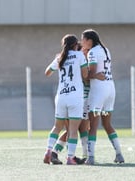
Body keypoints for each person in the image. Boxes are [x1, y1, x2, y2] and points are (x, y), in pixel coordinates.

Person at [81, 29, 125, 165]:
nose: (81, 43)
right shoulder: (105, 49)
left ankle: (91, 157)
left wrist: (86, 74)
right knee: (107, 124)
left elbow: (91, 73)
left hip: (99, 91)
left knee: (93, 125)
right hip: (110, 89)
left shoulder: (93, 52)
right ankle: (119, 154)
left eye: (83, 39)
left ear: (89, 40)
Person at [43, 34, 88, 165]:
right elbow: (85, 75)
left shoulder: (59, 57)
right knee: (73, 131)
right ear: (75, 45)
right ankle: (70, 157)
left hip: (61, 97)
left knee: (57, 127)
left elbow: (47, 72)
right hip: (75, 97)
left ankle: (48, 151)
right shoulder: (79, 55)